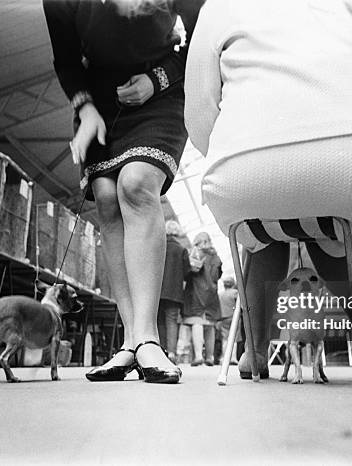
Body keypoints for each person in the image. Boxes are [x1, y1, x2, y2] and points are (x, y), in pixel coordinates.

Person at [185, 0, 352, 381]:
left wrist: (249, 154)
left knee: (263, 227)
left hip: (251, 166)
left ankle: (254, 351)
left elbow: (199, 118)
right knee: (341, 229)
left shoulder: (220, 7)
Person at [43, 0, 205, 384]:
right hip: (98, 98)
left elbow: (203, 39)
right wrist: (85, 110)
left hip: (161, 89)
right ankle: (131, 340)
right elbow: (65, 58)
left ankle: (149, 339)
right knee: (106, 198)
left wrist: (158, 80)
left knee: (135, 185)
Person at [182, 232, 222, 366]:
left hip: (196, 294)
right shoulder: (216, 257)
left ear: (198, 242)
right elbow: (218, 275)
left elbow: (188, 272)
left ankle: (199, 355)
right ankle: (210, 357)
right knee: (209, 325)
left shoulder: (195, 254)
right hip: (212, 295)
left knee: (197, 323)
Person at [157, 220, 190, 363]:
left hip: (157, 291)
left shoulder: (158, 246)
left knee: (159, 321)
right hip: (174, 292)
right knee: (171, 321)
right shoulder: (182, 249)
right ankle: (171, 353)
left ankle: (160, 351)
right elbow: (187, 271)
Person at [217, 277, 238, 365]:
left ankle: (224, 358)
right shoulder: (235, 293)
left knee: (225, 339)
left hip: (223, 318)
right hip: (234, 318)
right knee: (234, 339)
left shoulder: (220, 294)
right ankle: (233, 358)